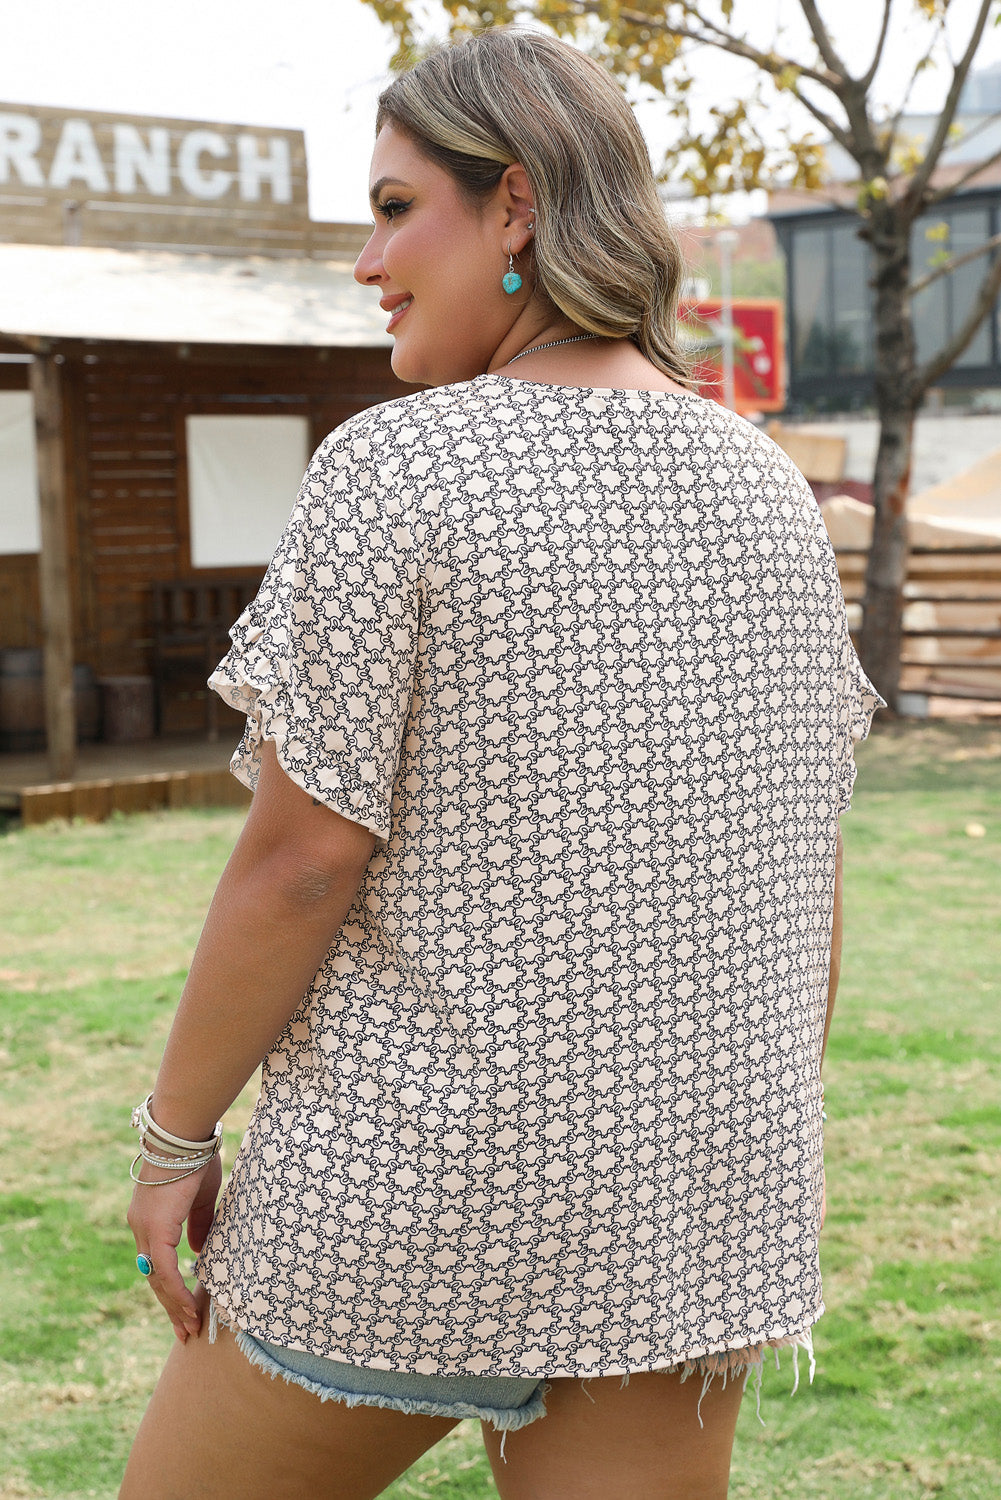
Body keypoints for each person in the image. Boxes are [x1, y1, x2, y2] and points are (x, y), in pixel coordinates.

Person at [121, 27, 884, 1500]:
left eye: (396, 207)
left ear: (516, 204)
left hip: (416, 1196)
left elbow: (300, 862)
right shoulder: (766, 487)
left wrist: (173, 1143)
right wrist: (727, 1143)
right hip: (683, 1213)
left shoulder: (397, 468)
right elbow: (806, 871)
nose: (367, 261)